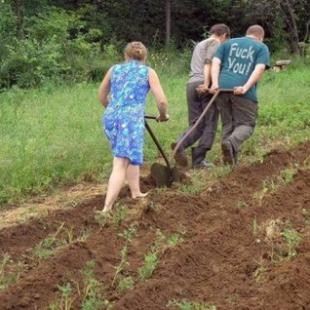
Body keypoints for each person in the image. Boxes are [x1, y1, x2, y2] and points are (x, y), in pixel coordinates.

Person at [98, 41, 169, 213]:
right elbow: (162, 101)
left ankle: (136, 192)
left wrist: (115, 109)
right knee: (121, 162)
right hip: (129, 120)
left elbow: (101, 95)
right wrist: (163, 115)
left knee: (128, 154)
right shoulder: (148, 72)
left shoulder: (114, 69)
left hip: (110, 117)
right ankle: (107, 209)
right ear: (144, 57)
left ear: (125, 56)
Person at [210, 25, 270, 166]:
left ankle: (230, 164)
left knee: (228, 124)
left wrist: (215, 83)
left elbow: (216, 62)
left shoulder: (228, 44)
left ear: (247, 33)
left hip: (222, 88)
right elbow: (260, 68)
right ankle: (230, 144)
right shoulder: (261, 47)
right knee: (247, 124)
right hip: (242, 91)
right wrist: (245, 87)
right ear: (261, 37)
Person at [172, 24, 230, 169]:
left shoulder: (200, 44)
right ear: (223, 35)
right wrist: (207, 84)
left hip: (191, 84)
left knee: (197, 123)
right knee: (210, 123)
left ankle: (180, 143)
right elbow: (208, 63)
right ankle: (198, 160)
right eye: (226, 39)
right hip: (203, 85)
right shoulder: (215, 43)